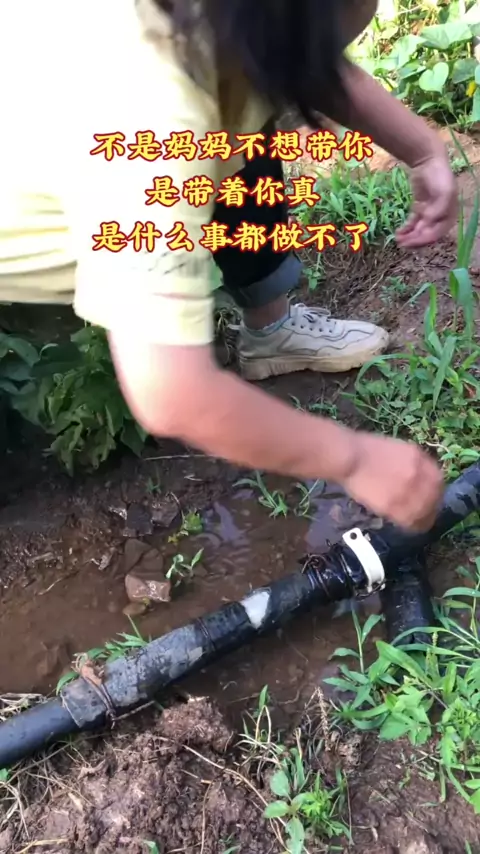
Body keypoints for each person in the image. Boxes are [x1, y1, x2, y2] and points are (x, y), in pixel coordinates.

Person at [0, 0, 456, 531]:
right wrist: (356, 459)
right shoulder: (153, 121)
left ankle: (271, 330)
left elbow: (300, 61)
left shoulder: (225, 23)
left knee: (243, 126)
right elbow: (172, 393)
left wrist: (422, 149)